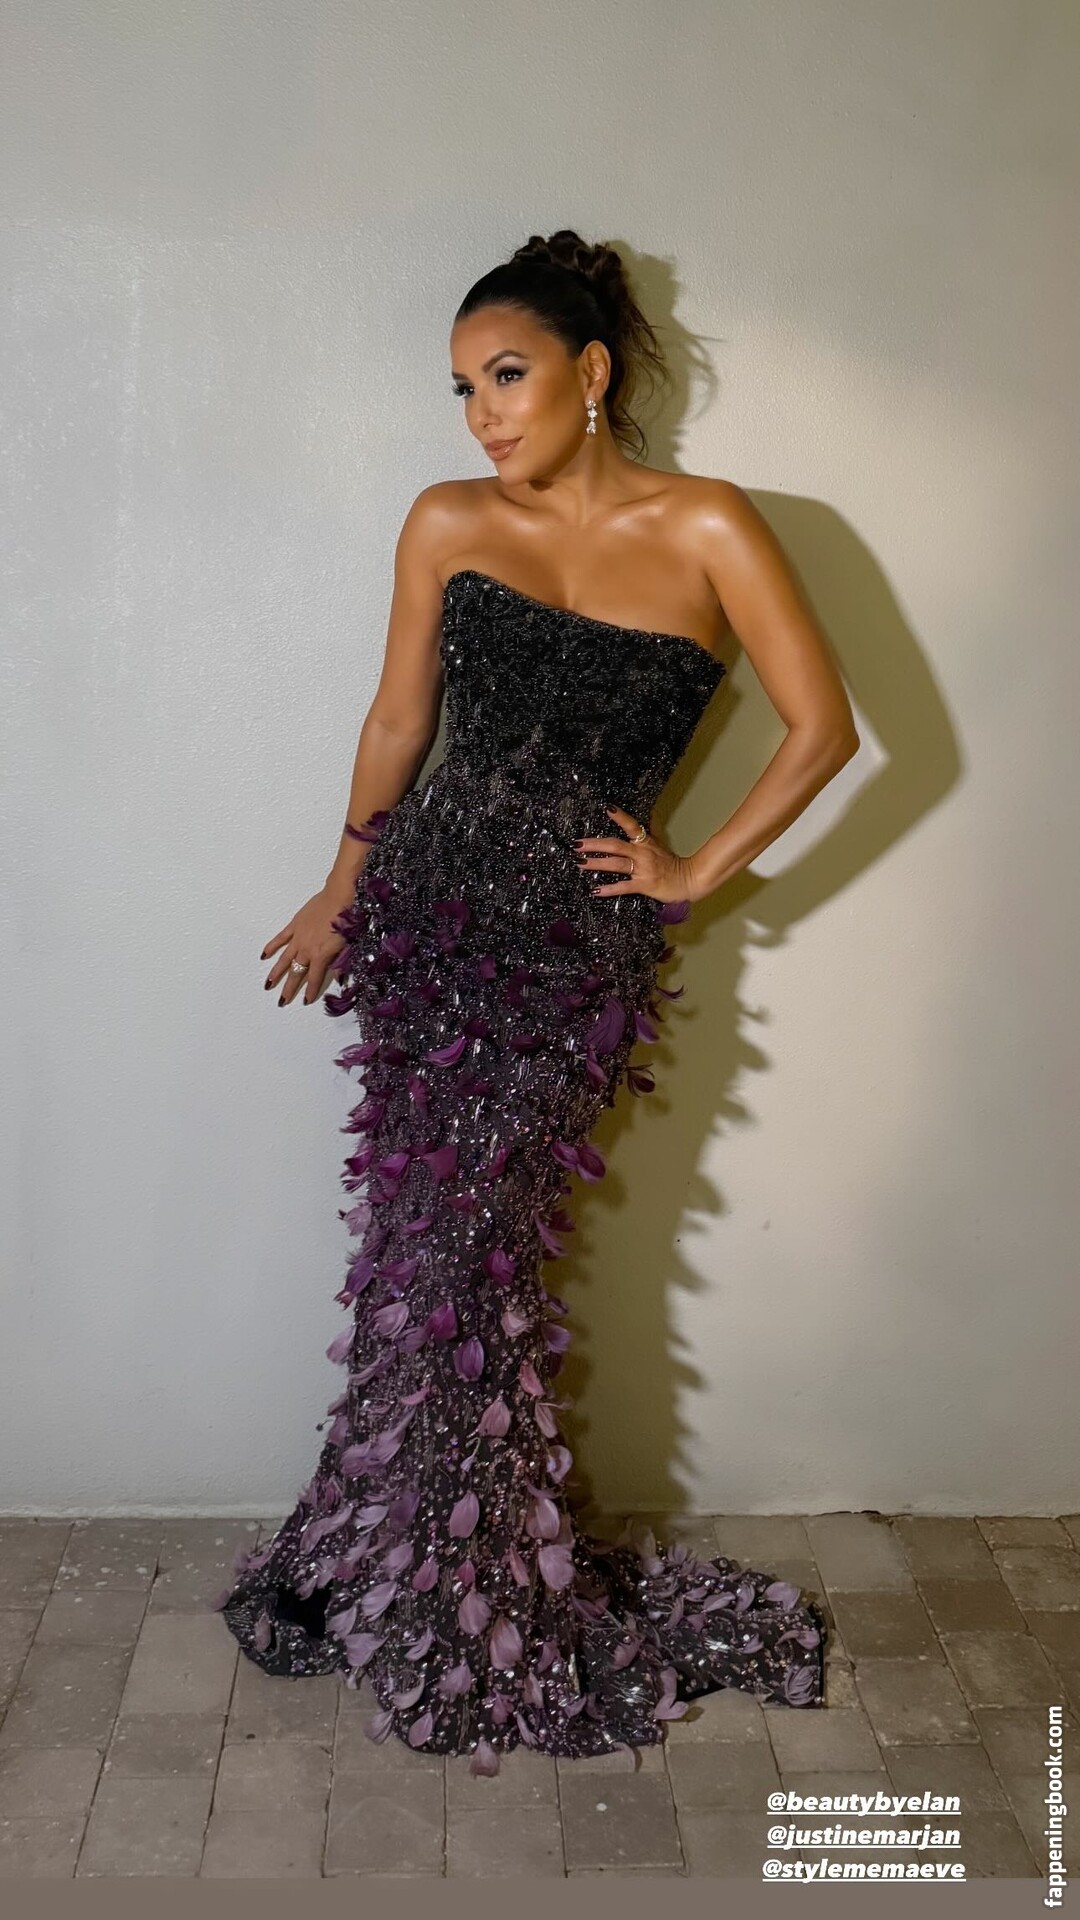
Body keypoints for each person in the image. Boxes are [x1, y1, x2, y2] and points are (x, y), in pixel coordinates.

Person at [215, 229, 859, 1775]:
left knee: (474, 1256)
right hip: (430, 922)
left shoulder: (708, 524)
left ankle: (479, 1602)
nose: (483, 413)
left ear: (592, 372)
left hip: (573, 952)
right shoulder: (446, 521)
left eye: (505, 375)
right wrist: (343, 884)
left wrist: (692, 869)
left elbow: (825, 726)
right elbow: (398, 721)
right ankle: (416, 1563)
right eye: (462, 389)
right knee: (418, 1257)